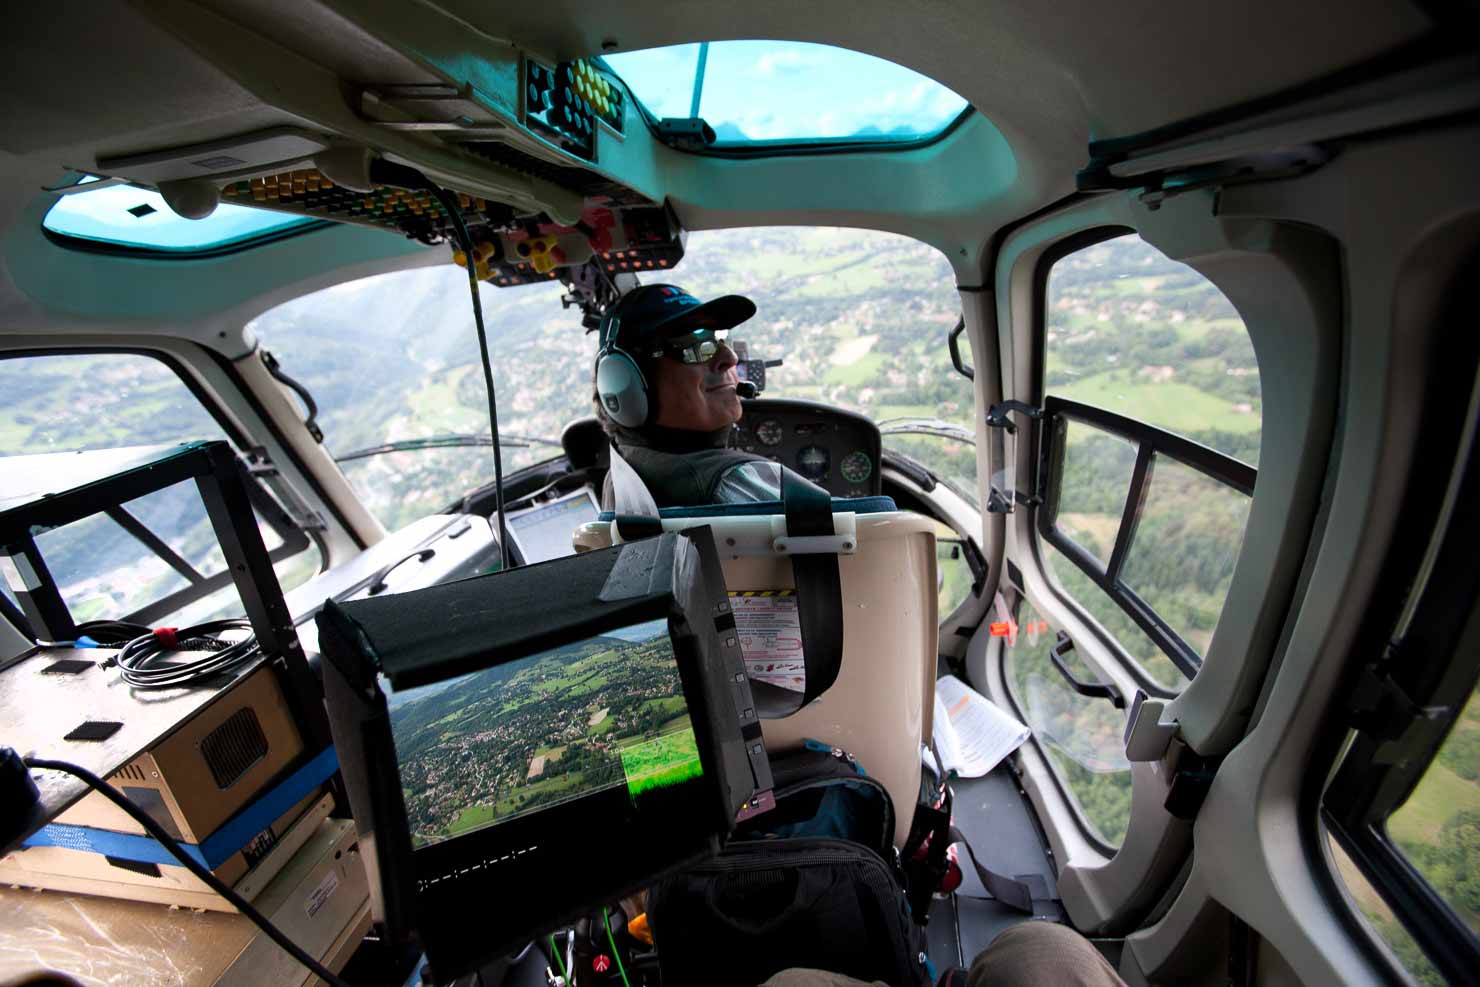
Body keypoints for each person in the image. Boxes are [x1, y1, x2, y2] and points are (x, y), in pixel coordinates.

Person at [592, 283, 815, 507]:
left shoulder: (622, 475)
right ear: (625, 381)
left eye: (721, 339)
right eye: (694, 345)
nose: (730, 358)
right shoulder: (734, 484)